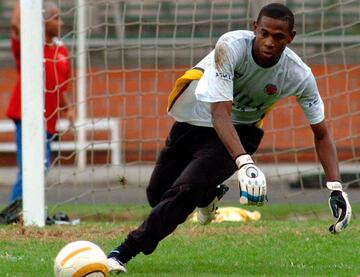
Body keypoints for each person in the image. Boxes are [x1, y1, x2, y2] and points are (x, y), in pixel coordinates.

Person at [107, 3, 352, 274]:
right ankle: (208, 194)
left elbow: (322, 133)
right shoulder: (230, 46)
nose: (270, 42)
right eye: (265, 34)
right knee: (158, 195)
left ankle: (123, 252)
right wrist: (245, 164)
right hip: (197, 121)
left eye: (279, 36)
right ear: (254, 29)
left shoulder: (299, 74)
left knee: (185, 191)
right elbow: (219, 113)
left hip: (241, 133)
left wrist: (336, 187)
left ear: (291, 37)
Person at [6, 1, 75, 203]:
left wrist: (68, 108)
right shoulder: (30, 45)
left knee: (40, 166)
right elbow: (15, 24)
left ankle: (20, 210)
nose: (61, 23)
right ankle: (16, 211)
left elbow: (59, 86)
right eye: (56, 18)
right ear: (42, 21)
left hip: (49, 120)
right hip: (27, 116)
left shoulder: (61, 50)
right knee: (33, 166)